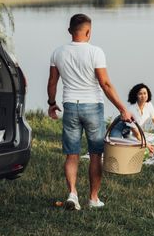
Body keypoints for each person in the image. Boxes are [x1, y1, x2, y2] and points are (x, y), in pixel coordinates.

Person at [47, 13, 132, 211]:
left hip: (70, 106)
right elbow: (105, 84)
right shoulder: (96, 52)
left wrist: (52, 103)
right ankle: (93, 198)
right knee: (95, 154)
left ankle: (73, 194)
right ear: (88, 32)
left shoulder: (57, 52)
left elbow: (52, 82)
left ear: (69, 31)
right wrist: (122, 108)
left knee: (72, 154)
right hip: (92, 106)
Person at [110, 83, 154, 153]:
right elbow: (136, 133)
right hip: (119, 128)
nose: (143, 96)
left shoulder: (149, 105)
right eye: (140, 94)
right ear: (136, 96)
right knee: (116, 149)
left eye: (145, 93)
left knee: (133, 148)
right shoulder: (132, 109)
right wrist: (147, 144)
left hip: (129, 130)